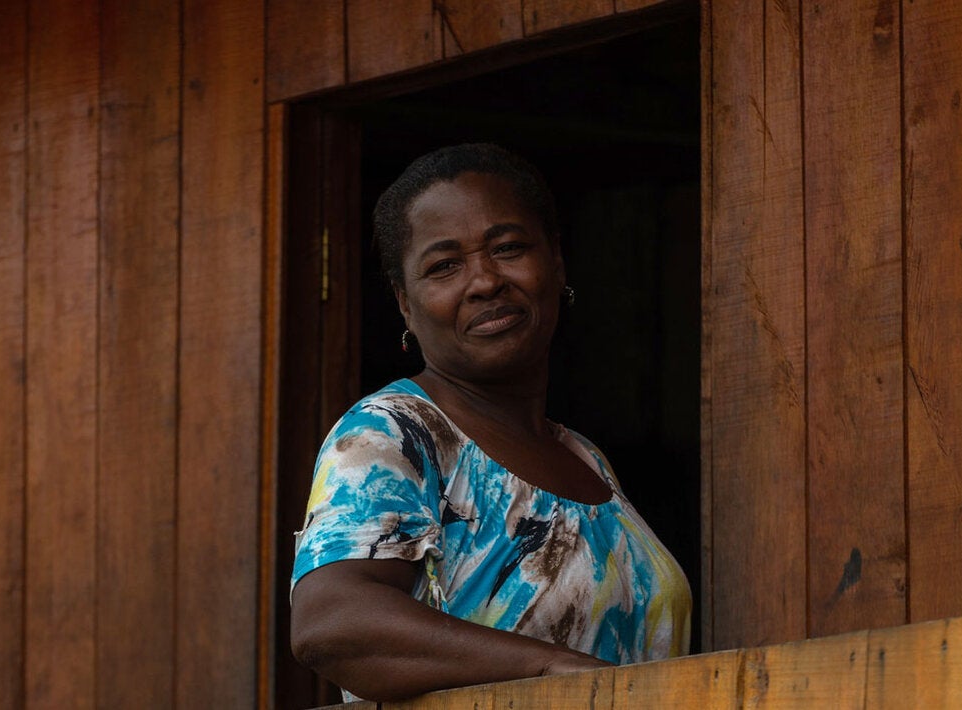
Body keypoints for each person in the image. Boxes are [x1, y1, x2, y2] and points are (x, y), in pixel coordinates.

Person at [289, 144, 692, 702]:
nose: (484, 281)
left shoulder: (585, 458)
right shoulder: (391, 436)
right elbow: (332, 624)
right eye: (444, 266)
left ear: (556, 261)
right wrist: (554, 671)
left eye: (508, 248)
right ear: (406, 305)